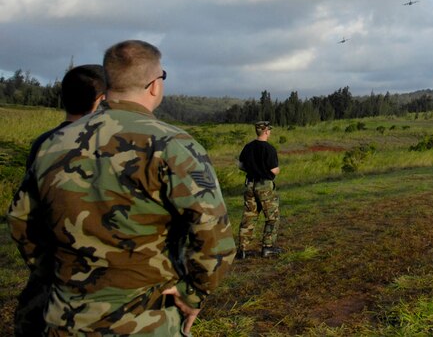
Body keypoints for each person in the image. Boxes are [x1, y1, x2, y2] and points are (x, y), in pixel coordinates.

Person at [7, 40, 235, 335]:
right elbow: (212, 231)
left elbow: (21, 219)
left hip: (65, 318)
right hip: (145, 320)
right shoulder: (171, 145)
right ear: (155, 85)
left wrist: (56, 276)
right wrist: (193, 294)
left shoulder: (54, 143)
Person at [14, 64, 107, 337]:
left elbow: (23, 215)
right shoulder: (106, 145)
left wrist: (44, 266)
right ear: (101, 100)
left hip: (52, 272)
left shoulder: (44, 143)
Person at [236, 121, 282, 258]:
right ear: (266, 131)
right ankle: (267, 247)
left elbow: (240, 165)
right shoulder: (269, 149)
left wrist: (252, 169)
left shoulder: (248, 147)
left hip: (250, 184)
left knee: (249, 216)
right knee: (272, 217)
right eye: (269, 130)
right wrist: (277, 170)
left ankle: (242, 250)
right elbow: (274, 170)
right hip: (265, 186)